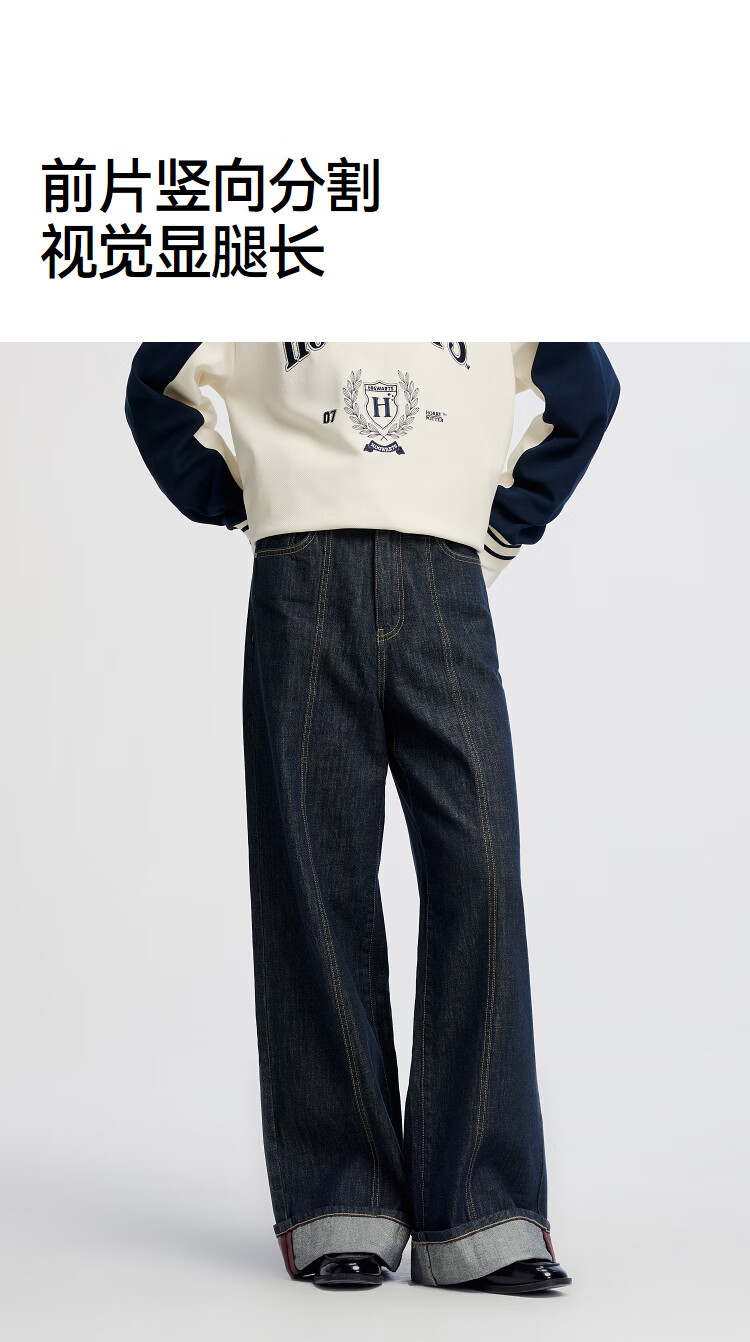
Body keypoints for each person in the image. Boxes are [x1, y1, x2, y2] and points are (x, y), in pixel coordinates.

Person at [125, 342, 620, 1293]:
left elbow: (586, 391)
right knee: (316, 879)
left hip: (445, 578)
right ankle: (339, 1203)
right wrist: (248, 500)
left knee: (478, 872)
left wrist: (502, 527)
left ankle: (483, 1216)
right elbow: (157, 383)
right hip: (301, 575)